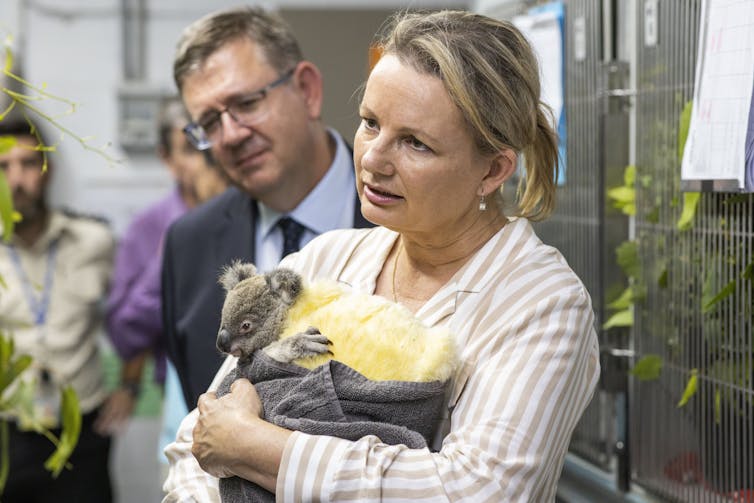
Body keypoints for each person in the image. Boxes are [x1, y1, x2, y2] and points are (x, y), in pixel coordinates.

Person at [163, 9, 601, 502]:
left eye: (415, 143)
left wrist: (261, 448)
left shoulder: (542, 302)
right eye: (370, 123)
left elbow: (475, 491)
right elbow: (195, 443)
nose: (372, 158)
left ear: (493, 170)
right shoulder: (326, 259)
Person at [161, 6, 372, 410]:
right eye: (209, 123)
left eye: (247, 102)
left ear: (307, 90)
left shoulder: (406, 215)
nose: (231, 134)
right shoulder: (188, 246)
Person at [101, 96, 228, 477]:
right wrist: (176, 251)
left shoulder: (251, 213)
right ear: (166, 158)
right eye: (190, 149)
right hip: (183, 412)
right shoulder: (150, 228)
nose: (207, 157)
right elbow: (124, 330)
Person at [0, 118, 116, 502]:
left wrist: (131, 384)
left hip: (83, 431)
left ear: (47, 171)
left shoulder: (94, 240)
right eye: (4, 166)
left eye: (29, 163)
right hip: (9, 434)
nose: (17, 179)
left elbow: (142, 310)